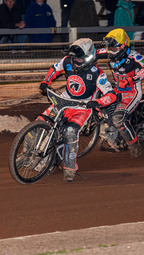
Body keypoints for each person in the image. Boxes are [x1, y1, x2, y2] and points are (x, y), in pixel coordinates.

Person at [39, 38, 118, 182]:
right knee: (39, 123)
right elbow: (54, 69)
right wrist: (45, 82)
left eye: (79, 59)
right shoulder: (67, 61)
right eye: (73, 58)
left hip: (82, 107)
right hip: (63, 101)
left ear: (88, 57)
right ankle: (25, 156)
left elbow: (111, 95)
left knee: (70, 132)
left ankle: (69, 169)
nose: (75, 61)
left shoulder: (97, 74)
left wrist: (98, 102)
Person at [97, 28, 144, 158]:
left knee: (118, 119)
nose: (110, 51)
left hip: (132, 92)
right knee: (99, 101)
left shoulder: (134, 57)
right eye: (109, 48)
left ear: (123, 46)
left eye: (114, 49)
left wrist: (130, 80)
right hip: (117, 89)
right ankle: (112, 134)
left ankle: (134, 146)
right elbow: (91, 54)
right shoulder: (108, 50)